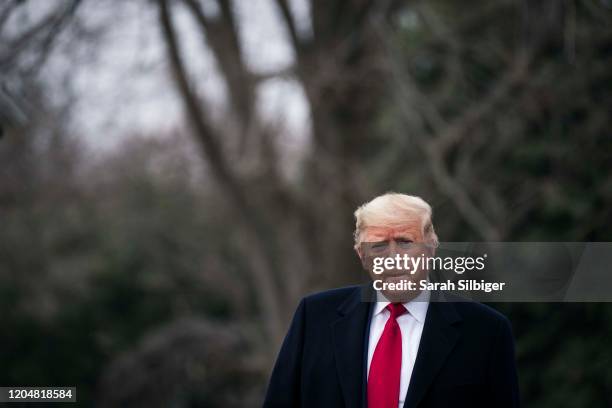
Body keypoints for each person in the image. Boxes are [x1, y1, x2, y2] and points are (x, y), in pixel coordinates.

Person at [263, 193, 519, 407]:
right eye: (379, 246)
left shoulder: (486, 331)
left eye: (405, 242)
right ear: (361, 255)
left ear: (431, 247)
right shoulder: (315, 318)